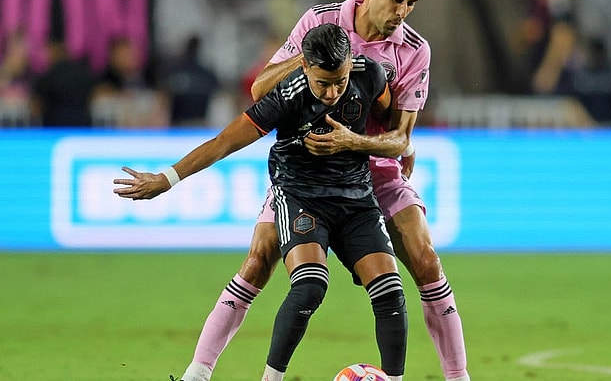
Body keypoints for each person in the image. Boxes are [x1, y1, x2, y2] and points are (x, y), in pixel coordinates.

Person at [178, 0, 470, 381]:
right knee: (258, 260)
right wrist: (316, 55)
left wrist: (356, 141)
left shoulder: (413, 50)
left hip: (372, 169)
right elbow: (262, 88)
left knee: (425, 259)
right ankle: (197, 373)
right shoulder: (321, 20)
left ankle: (457, 376)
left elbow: (401, 136)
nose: (403, 11)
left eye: (412, 3)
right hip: (308, 172)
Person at [114, 23, 408, 380]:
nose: (332, 93)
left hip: (356, 197)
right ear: (305, 68)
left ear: (351, 64)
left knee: (390, 291)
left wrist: (363, 145)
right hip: (301, 196)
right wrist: (167, 178)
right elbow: (224, 141)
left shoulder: (372, 75)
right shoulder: (288, 95)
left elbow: (395, 131)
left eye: (340, 82)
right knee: (309, 286)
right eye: (323, 83)